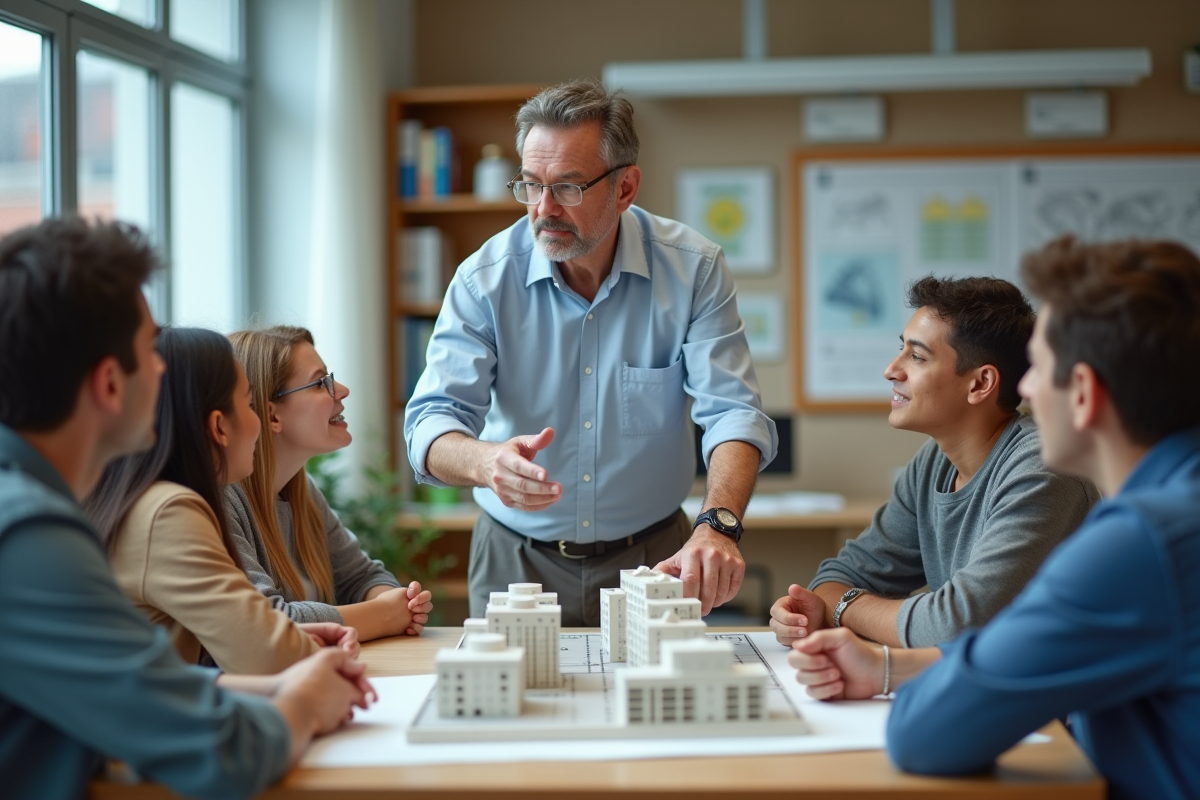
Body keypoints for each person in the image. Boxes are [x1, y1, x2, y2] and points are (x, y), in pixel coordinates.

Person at [789, 237, 1200, 800]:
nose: (1025, 388)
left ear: (1083, 393)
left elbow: (923, 735)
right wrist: (888, 668)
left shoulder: (1137, 544)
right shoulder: (1176, 513)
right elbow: (1034, 653)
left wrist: (853, 618)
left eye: (1041, 369)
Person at [0, 218, 372, 800]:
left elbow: (141, 690)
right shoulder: (30, 537)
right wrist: (302, 702)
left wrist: (276, 690)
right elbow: (218, 750)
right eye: (148, 349)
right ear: (108, 384)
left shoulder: (37, 510)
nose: (162, 366)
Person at [403, 78, 778, 626]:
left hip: (657, 558)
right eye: (530, 185)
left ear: (625, 188)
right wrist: (488, 463)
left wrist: (717, 525)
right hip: (515, 558)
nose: (543, 209)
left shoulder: (692, 269)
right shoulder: (484, 279)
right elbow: (429, 425)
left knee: (660, 708)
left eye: (569, 188)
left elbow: (733, 414)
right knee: (508, 708)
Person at [770, 275, 1099, 648]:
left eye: (917, 356)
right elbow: (838, 575)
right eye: (901, 349)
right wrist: (818, 606)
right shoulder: (933, 462)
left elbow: (954, 626)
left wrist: (842, 607)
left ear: (980, 384)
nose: (891, 370)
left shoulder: (1042, 470)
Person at [83, 327, 360, 674]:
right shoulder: (168, 512)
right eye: (248, 404)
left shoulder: (147, 500)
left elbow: (222, 659)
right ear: (219, 426)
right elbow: (265, 651)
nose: (257, 420)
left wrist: (304, 636)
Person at [226, 325, 433, 642]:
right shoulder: (222, 501)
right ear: (272, 416)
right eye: (320, 383)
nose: (342, 390)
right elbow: (266, 623)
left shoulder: (302, 491)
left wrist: (398, 603)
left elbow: (362, 577)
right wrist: (385, 613)